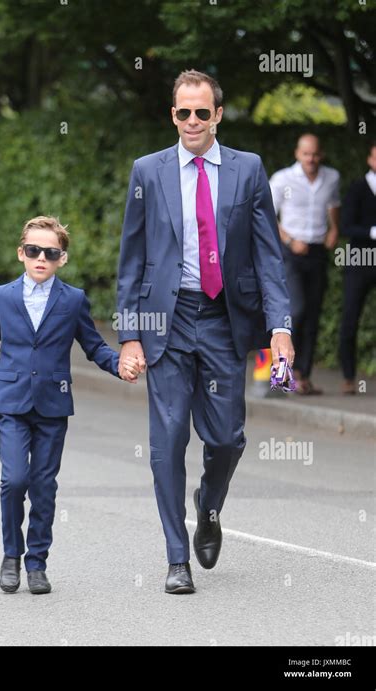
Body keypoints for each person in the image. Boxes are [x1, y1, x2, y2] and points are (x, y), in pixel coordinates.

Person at [117, 69, 293, 594]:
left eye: (201, 112)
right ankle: (177, 558)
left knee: (226, 438)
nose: (191, 121)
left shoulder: (248, 170)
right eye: (181, 112)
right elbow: (131, 259)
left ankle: (208, 506)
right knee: (167, 442)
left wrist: (280, 327)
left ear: (217, 115)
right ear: (172, 115)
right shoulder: (148, 172)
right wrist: (129, 333)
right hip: (165, 323)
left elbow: (268, 255)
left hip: (223, 320)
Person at [0, 216, 140, 595]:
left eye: (51, 253)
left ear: (62, 259)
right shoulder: (1, 296)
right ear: (21, 253)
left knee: (44, 485)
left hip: (52, 406)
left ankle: (37, 564)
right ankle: (11, 556)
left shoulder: (74, 300)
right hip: (12, 403)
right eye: (33, 251)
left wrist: (121, 366)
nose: (41, 258)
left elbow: (94, 346)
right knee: (14, 480)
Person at [270, 134, 340, 394]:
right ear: (297, 154)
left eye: (315, 154)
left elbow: (334, 204)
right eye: (306, 154)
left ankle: (303, 376)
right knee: (294, 311)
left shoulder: (331, 177)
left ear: (320, 155)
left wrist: (335, 229)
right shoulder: (282, 179)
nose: (311, 159)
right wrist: (289, 240)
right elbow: (266, 214)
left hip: (317, 251)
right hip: (290, 253)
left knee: (312, 314)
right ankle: (280, 373)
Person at [339, 142, 376, 394]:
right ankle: (349, 376)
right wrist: (372, 232)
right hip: (360, 260)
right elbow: (345, 226)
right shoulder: (357, 188)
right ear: (370, 159)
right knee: (350, 317)